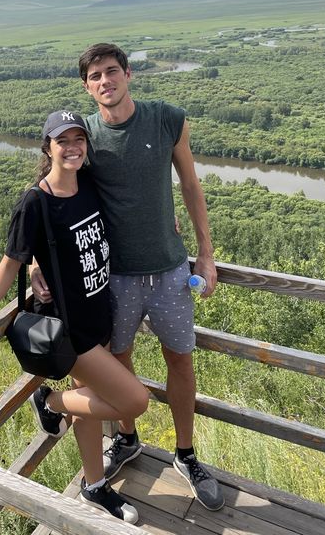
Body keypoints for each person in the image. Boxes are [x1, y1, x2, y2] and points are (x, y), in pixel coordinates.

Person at [30, 44, 224, 511]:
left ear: (128, 74)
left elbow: (191, 186)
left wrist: (206, 253)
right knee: (118, 364)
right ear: (86, 85)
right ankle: (128, 439)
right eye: (95, 76)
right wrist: (37, 260)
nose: (104, 82)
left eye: (111, 72)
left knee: (180, 361)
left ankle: (186, 454)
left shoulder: (166, 119)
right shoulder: (85, 136)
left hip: (170, 270)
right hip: (113, 279)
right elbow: (53, 190)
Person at [0, 110, 149, 524]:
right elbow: (8, 263)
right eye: (63, 141)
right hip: (70, 329)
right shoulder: (34, 202)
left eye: (79, 139)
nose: (73, 147)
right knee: (134, 400)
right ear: (47, 148)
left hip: (99, 313)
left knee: (88, 407)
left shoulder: (89, 183)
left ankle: (94, 485)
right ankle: (49, 401)